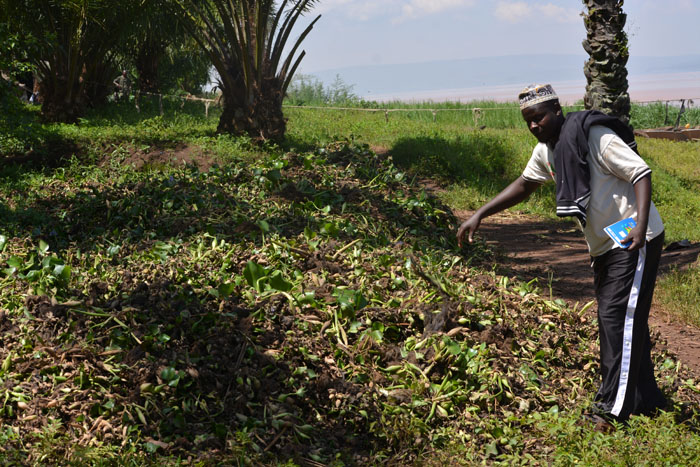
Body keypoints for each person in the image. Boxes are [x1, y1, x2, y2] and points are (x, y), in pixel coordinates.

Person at [457, 84, 667, 425]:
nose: (534, 126)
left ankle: (611, 410)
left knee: (615, 318)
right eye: (528, 121)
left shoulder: (593, 135)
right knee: (626, 319)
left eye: (538, 117)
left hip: (633, 239)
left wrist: (641, 226)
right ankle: (648, 398)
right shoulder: (548, 150)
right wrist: (480, 213)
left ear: (556, 109)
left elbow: (640, 172)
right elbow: (524, 185)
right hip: (604, 247)